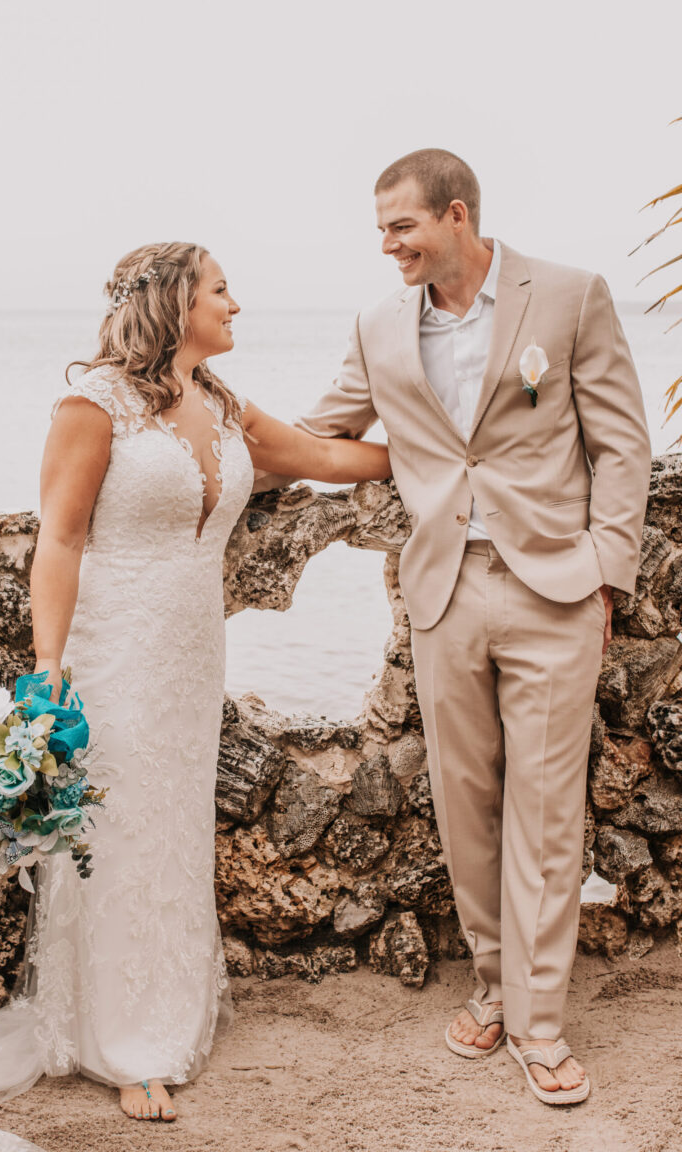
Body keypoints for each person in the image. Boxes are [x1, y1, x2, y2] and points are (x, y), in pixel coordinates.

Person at [0, 241, 390, 1148]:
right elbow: (58, 539)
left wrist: (440, 448)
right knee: (119, 830)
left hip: (191, 658)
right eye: (221, 291)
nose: (237, 305)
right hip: (116, 654)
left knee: (173, 828)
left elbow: (318, 455)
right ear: (175, 301)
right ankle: (126, 1046)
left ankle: (169, 1007)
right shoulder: (91, 405)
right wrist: (48, 665)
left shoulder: (218, 401)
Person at [273, 149, 651, 1104]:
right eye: (380, 231)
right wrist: (200, 428)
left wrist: (606, 568)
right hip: (442, 591)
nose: (388, 246)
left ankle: (542, 1024)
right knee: (465, 804)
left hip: (555, 590)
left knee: (549, 810)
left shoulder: (568, 296)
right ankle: (492, 983)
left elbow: (620, 441)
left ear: (455, 214)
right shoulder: (377, 327)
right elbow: (323, 438)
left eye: (400, 227)